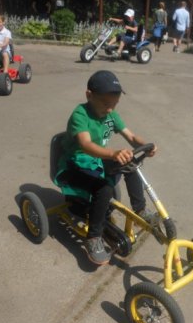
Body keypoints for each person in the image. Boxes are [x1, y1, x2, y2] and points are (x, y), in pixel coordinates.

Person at [55, 70, 157, 265]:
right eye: (105, 104)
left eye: (114, 104)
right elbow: (85, 144)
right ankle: (93, 237)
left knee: (130, 164)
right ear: (89, 95)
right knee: (105, 188)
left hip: (97, 161)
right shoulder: (80, 114)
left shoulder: (111, 115)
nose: (110, 109)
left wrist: (147, 145)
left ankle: (140, 209)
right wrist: (112, 153)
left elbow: (132, 137)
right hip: (74, 165)